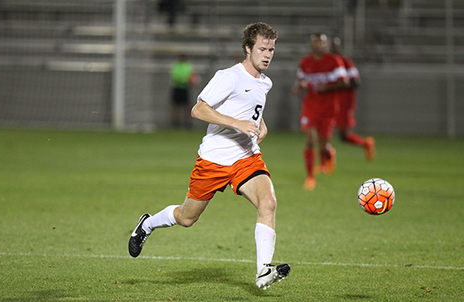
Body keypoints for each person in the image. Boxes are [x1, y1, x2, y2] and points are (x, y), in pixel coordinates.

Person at [129, 22, 290, 290]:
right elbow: (199, 110)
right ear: (248, 48)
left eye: (271, 49)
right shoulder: (228, 76)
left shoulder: (265, 82)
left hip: (247, 157)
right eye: (262, 49)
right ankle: (148, 224)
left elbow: (252, 109)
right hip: (214, 160)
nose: (268, 54)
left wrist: (261, 125)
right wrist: (236, 123)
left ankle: (263, 270)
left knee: (269, 204)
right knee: (187, 218)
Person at [293, 33, 348, 191]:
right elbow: (300, 79)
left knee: (322, 145)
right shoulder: (305, 62)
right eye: (317, 42)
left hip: (329, 108)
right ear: (312, 44)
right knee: (310, 139)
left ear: (326, 44)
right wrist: (298, 88)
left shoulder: (334, 61)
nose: (320, 45)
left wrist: (327, 87)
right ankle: (310, 177)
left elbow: (344, 82)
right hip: (311, 106)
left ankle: (329, 153)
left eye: (322, 42)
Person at [330, 37, 375, 161]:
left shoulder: (346, 62)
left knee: (343, 135)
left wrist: (337, 85)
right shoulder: (327, 62)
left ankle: (366, 143)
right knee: (320, 131)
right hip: (328, 100)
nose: (332, 48)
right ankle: (326, 160)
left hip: (344, 101)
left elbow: (356, 81)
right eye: (331, 46)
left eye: (335, 46)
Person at [169, 54, 197, 128]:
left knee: (186, 106)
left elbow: (191, 75)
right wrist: (183, 80)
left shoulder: (187, 66)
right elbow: (175, 75)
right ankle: (176, 122)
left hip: (185, 87)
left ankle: (187, 122)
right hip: (177, 87)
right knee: (176, 106)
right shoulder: (176, 65)